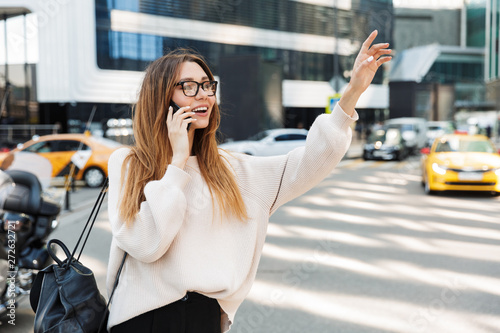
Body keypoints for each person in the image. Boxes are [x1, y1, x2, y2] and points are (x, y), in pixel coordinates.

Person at [106, 30, 391, 333]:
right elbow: (147, 244)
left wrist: (352, 93)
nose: (204, 94)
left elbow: (310, 162)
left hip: (202, 320)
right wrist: (177, 163)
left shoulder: (232, 170)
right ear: (161, 96)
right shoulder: (129, 164)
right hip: (139, 321)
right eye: (189, 86)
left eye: (207, 85)